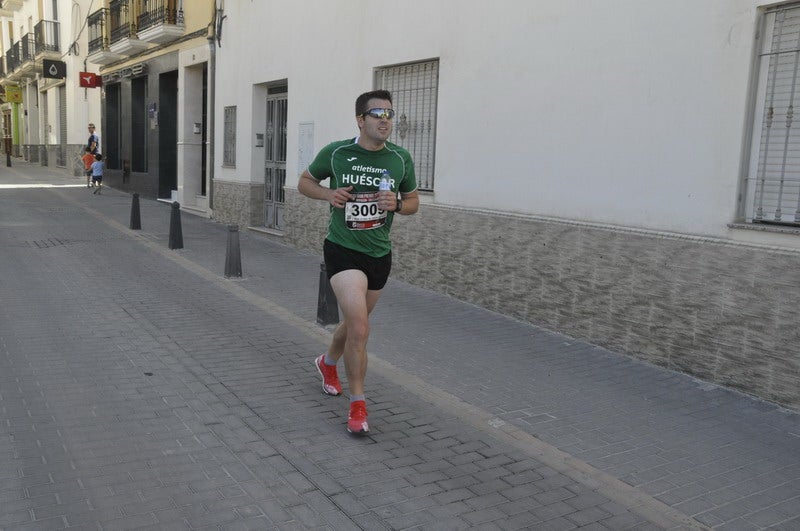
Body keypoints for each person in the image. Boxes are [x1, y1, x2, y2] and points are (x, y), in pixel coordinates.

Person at [298, 89, 419, 435]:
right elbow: (305, 182)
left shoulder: (400, 159)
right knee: (362, 329)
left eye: (390, 114)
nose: (385, 119)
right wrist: (327, 194)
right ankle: (358, 406)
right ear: (360, 120)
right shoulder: (337, 153)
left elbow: (413, 202)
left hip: (379, 253)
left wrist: (396, 204)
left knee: (354, 325)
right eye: (377, 113)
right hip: (342, 249)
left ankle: (327, 362)